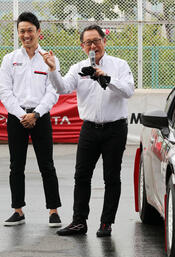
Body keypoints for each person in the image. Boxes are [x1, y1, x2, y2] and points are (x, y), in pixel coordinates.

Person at [40, 24, 135, 237]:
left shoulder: (119, 65)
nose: (93, 46)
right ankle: (79, 222)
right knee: (82, 176)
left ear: (104, 41)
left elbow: (129, 91)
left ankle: (106, 223)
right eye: (88, 42)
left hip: (115, 129)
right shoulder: (78, 68)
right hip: (89, 129)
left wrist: (107, 79)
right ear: (82, 46)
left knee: (111, 177)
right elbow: (62, 88)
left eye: (96, 41)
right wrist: (53, 69)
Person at [0, 12, 62, 227]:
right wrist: (20, 115)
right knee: (16, 165)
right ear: (18, 34)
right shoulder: (10, 59)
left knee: (47, 164)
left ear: (39, 33)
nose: (26, 35)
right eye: (22, 31)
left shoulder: (49, 59)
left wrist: (35, 114)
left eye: (30, 31)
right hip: (17, 117)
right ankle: (18, 210)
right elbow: (5, 91)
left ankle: (53, 211)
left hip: (40, 117)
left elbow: (53, 91)